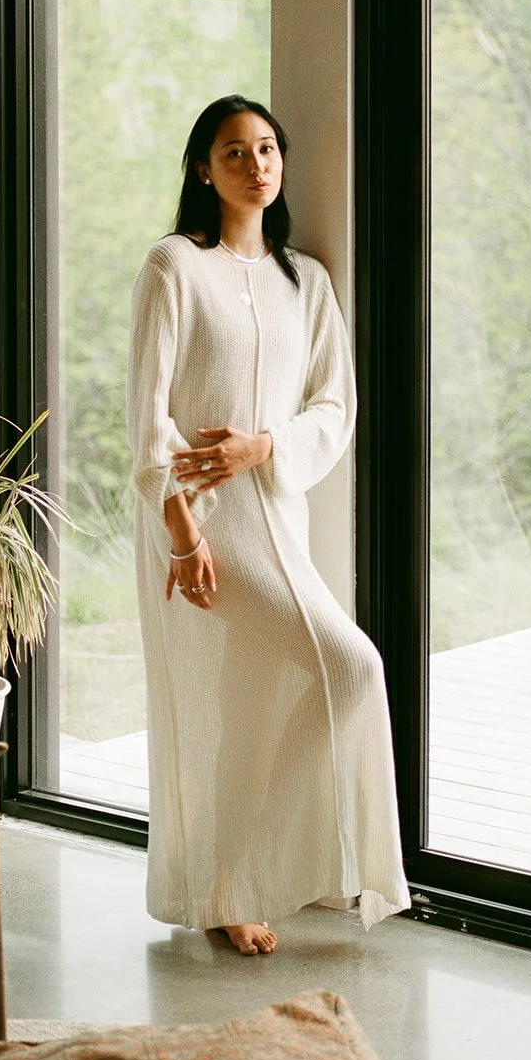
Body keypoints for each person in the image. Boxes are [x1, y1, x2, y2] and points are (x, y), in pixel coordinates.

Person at [126, 93, 411, 955]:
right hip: (202, 524)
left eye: (268, 150)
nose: (257, 165)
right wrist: (183, 534)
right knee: (346, 664)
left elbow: (335, 405)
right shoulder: (174, 267)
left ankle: (239, 866)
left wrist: (264, 446)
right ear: (202, 168)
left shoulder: (306, 280)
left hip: (279, 515)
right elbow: (146, 420)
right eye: (235, 151)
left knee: (309, 686)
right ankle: (227, 879)